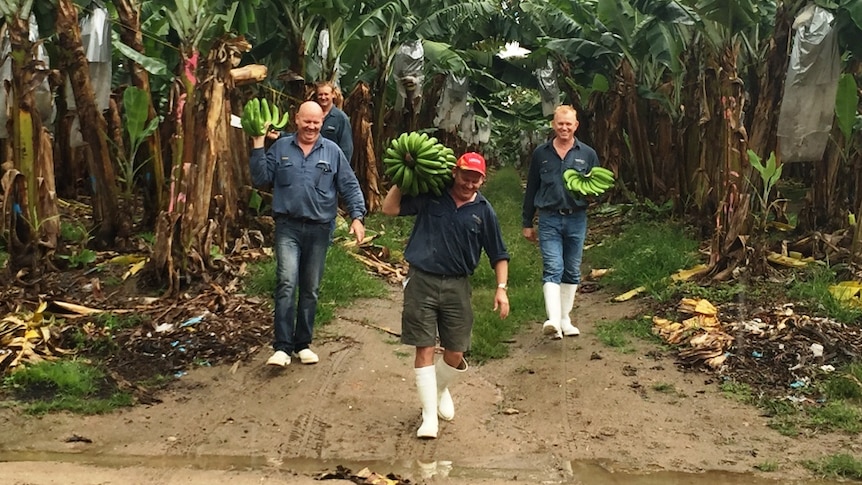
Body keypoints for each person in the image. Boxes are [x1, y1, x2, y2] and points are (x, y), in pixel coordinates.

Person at [382, 152, 510, 439]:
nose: (469, 183)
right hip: (422, 279)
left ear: (482, 180)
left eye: (475, 178)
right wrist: (404, 177)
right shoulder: (432, 195)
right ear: (455, 172)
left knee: (456, 351)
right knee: (424, 346)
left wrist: (501, 290)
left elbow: (499, 254)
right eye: (465, 176)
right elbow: (389, 209)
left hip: (457, 285)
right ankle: (429, 418)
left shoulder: (483, 211)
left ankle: (438, 389)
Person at [249, 101, 367, 367]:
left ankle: (302, 344)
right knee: (287, 282)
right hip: (288, 226)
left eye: (316, 122)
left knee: (310, 288)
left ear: (321, 123)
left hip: (319, 228)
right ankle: (282, 347)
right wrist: (258, 144)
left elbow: (349, 185)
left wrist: (357, 217)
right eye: (307, 121)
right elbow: (260, 177)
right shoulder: (281, 147)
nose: (311, 126)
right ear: (297, 120)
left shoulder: (332, 151)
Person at [522, 105, 600, 340]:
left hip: (577, 217)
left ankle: (565, 319)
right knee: (553, 267)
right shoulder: (541, 154)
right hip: (549, 218)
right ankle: (553, 320)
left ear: (576, 126)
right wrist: (527, 221)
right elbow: (532, 188)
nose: (564, 127)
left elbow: (597, 186)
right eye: (560, 123)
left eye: (569, 124)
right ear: (553, 125)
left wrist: (591, 195)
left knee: (572, 269)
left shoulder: (587, 154)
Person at [315, 81, 354, 162]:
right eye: (320, 94)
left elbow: (346, 148)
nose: (323, 97)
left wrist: (341, 170)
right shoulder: (312, 114)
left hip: (331, 165)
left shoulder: (341, 118)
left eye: (326, 94)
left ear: (333, 95)